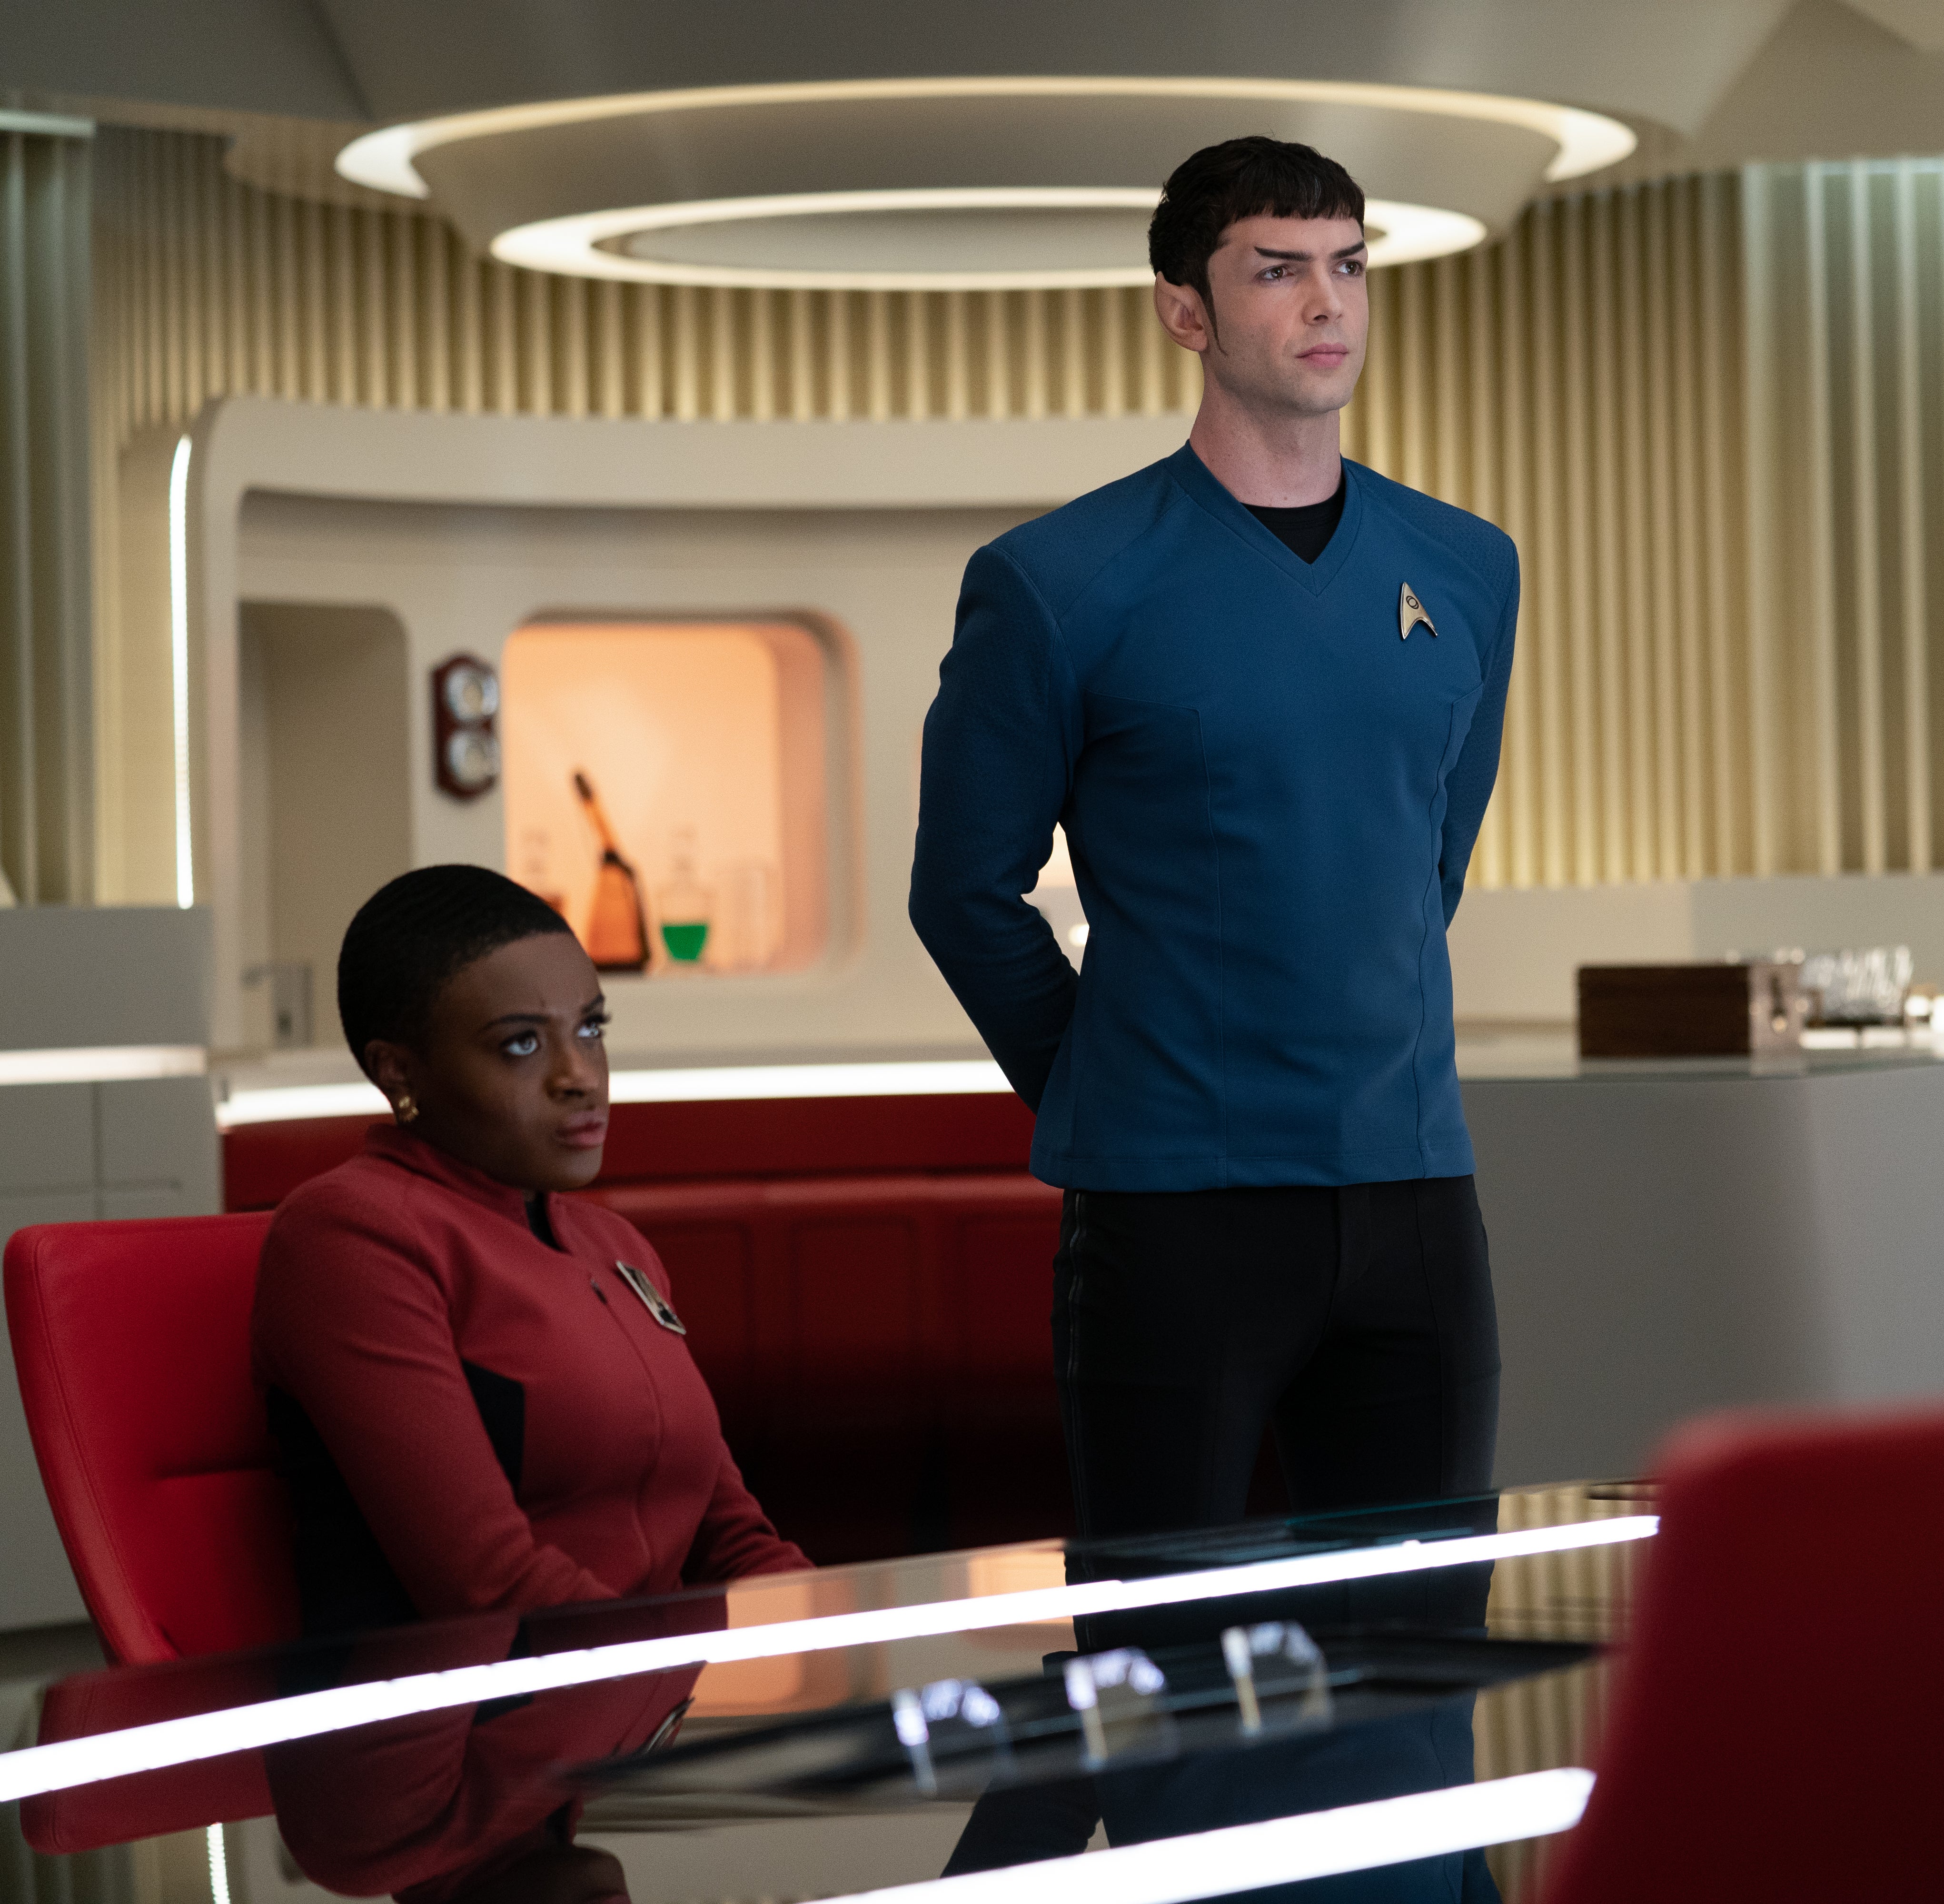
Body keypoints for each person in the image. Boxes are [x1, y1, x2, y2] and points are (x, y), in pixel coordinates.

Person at [909, 136, 1516, 1545]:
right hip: (1174, 1208)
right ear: (1186, 310)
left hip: (1416, 1187)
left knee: (1429, 1640)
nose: (1329, 302)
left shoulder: (1469, 565)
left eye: (1350, 266)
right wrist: (1107, 1083)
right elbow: (963, 892)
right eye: (1278, 271)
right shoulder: (1057, 582)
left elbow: (1431, 854)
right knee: (1164, 1639)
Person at [254, 865, 806, 1641]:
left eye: (591, 1030)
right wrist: (675, 1680)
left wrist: (846, 1649)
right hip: (469, 1707)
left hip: (644, 1693)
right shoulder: (350, 1236)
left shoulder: (616, 1247)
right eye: (521, 1044)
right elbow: (490, 1587)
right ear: (398, 1072)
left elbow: (735, 1542)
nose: (579, 1077)